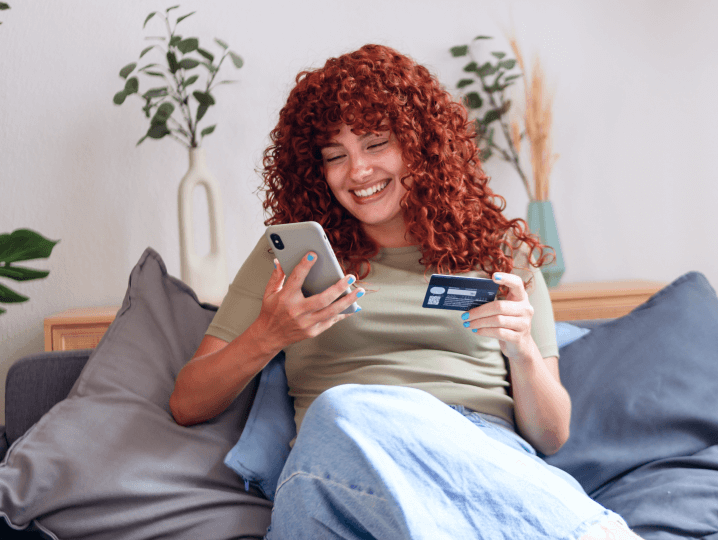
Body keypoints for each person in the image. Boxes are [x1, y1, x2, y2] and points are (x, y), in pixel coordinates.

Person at [169, 44, 642, 540]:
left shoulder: (499, 249)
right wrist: (268, 335)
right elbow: (187, 402)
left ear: (422, 144)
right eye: (335, 156)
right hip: (338, 464)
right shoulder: (288, 257)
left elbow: (552, 434)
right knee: (339, 412)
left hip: (478, 451)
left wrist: (521, 350)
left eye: (376, 145)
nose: (357, 172)